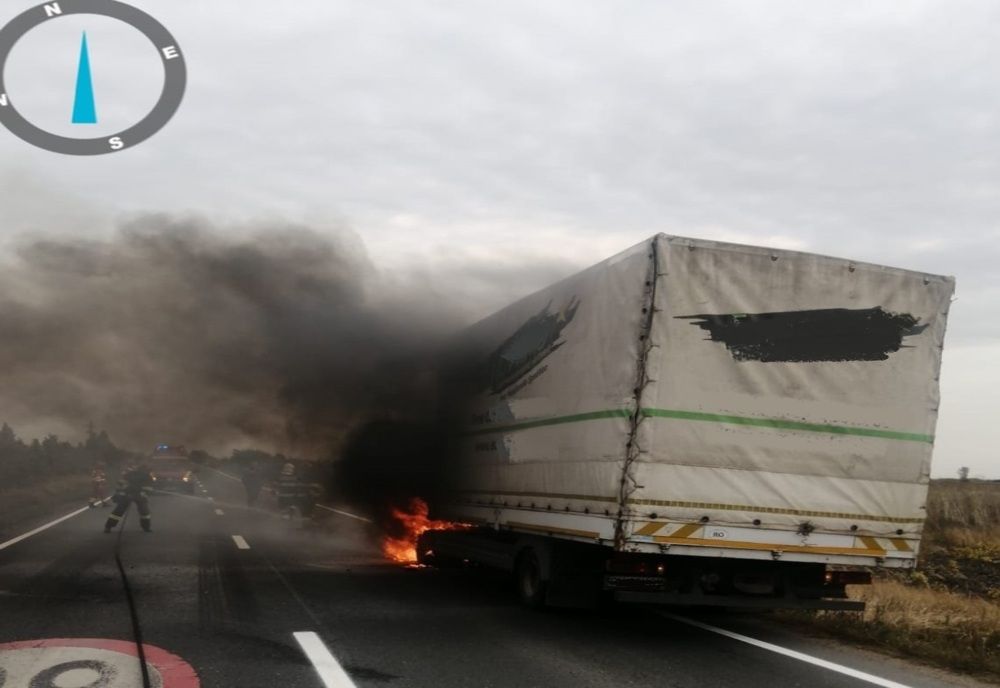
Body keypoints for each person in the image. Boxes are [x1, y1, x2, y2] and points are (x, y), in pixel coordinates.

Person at [104, 460, 153, 533]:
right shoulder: (128, 474)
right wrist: (123, 491)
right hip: (127, 494)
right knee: (119, 510)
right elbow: (120, 483)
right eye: (133, 465)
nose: (134, 467)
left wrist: (144, 492)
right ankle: (108, 526)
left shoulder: (146, 475)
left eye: (136, 465)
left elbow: (149, 487)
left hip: (139, 494)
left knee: (144, 511)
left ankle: (146, 527)